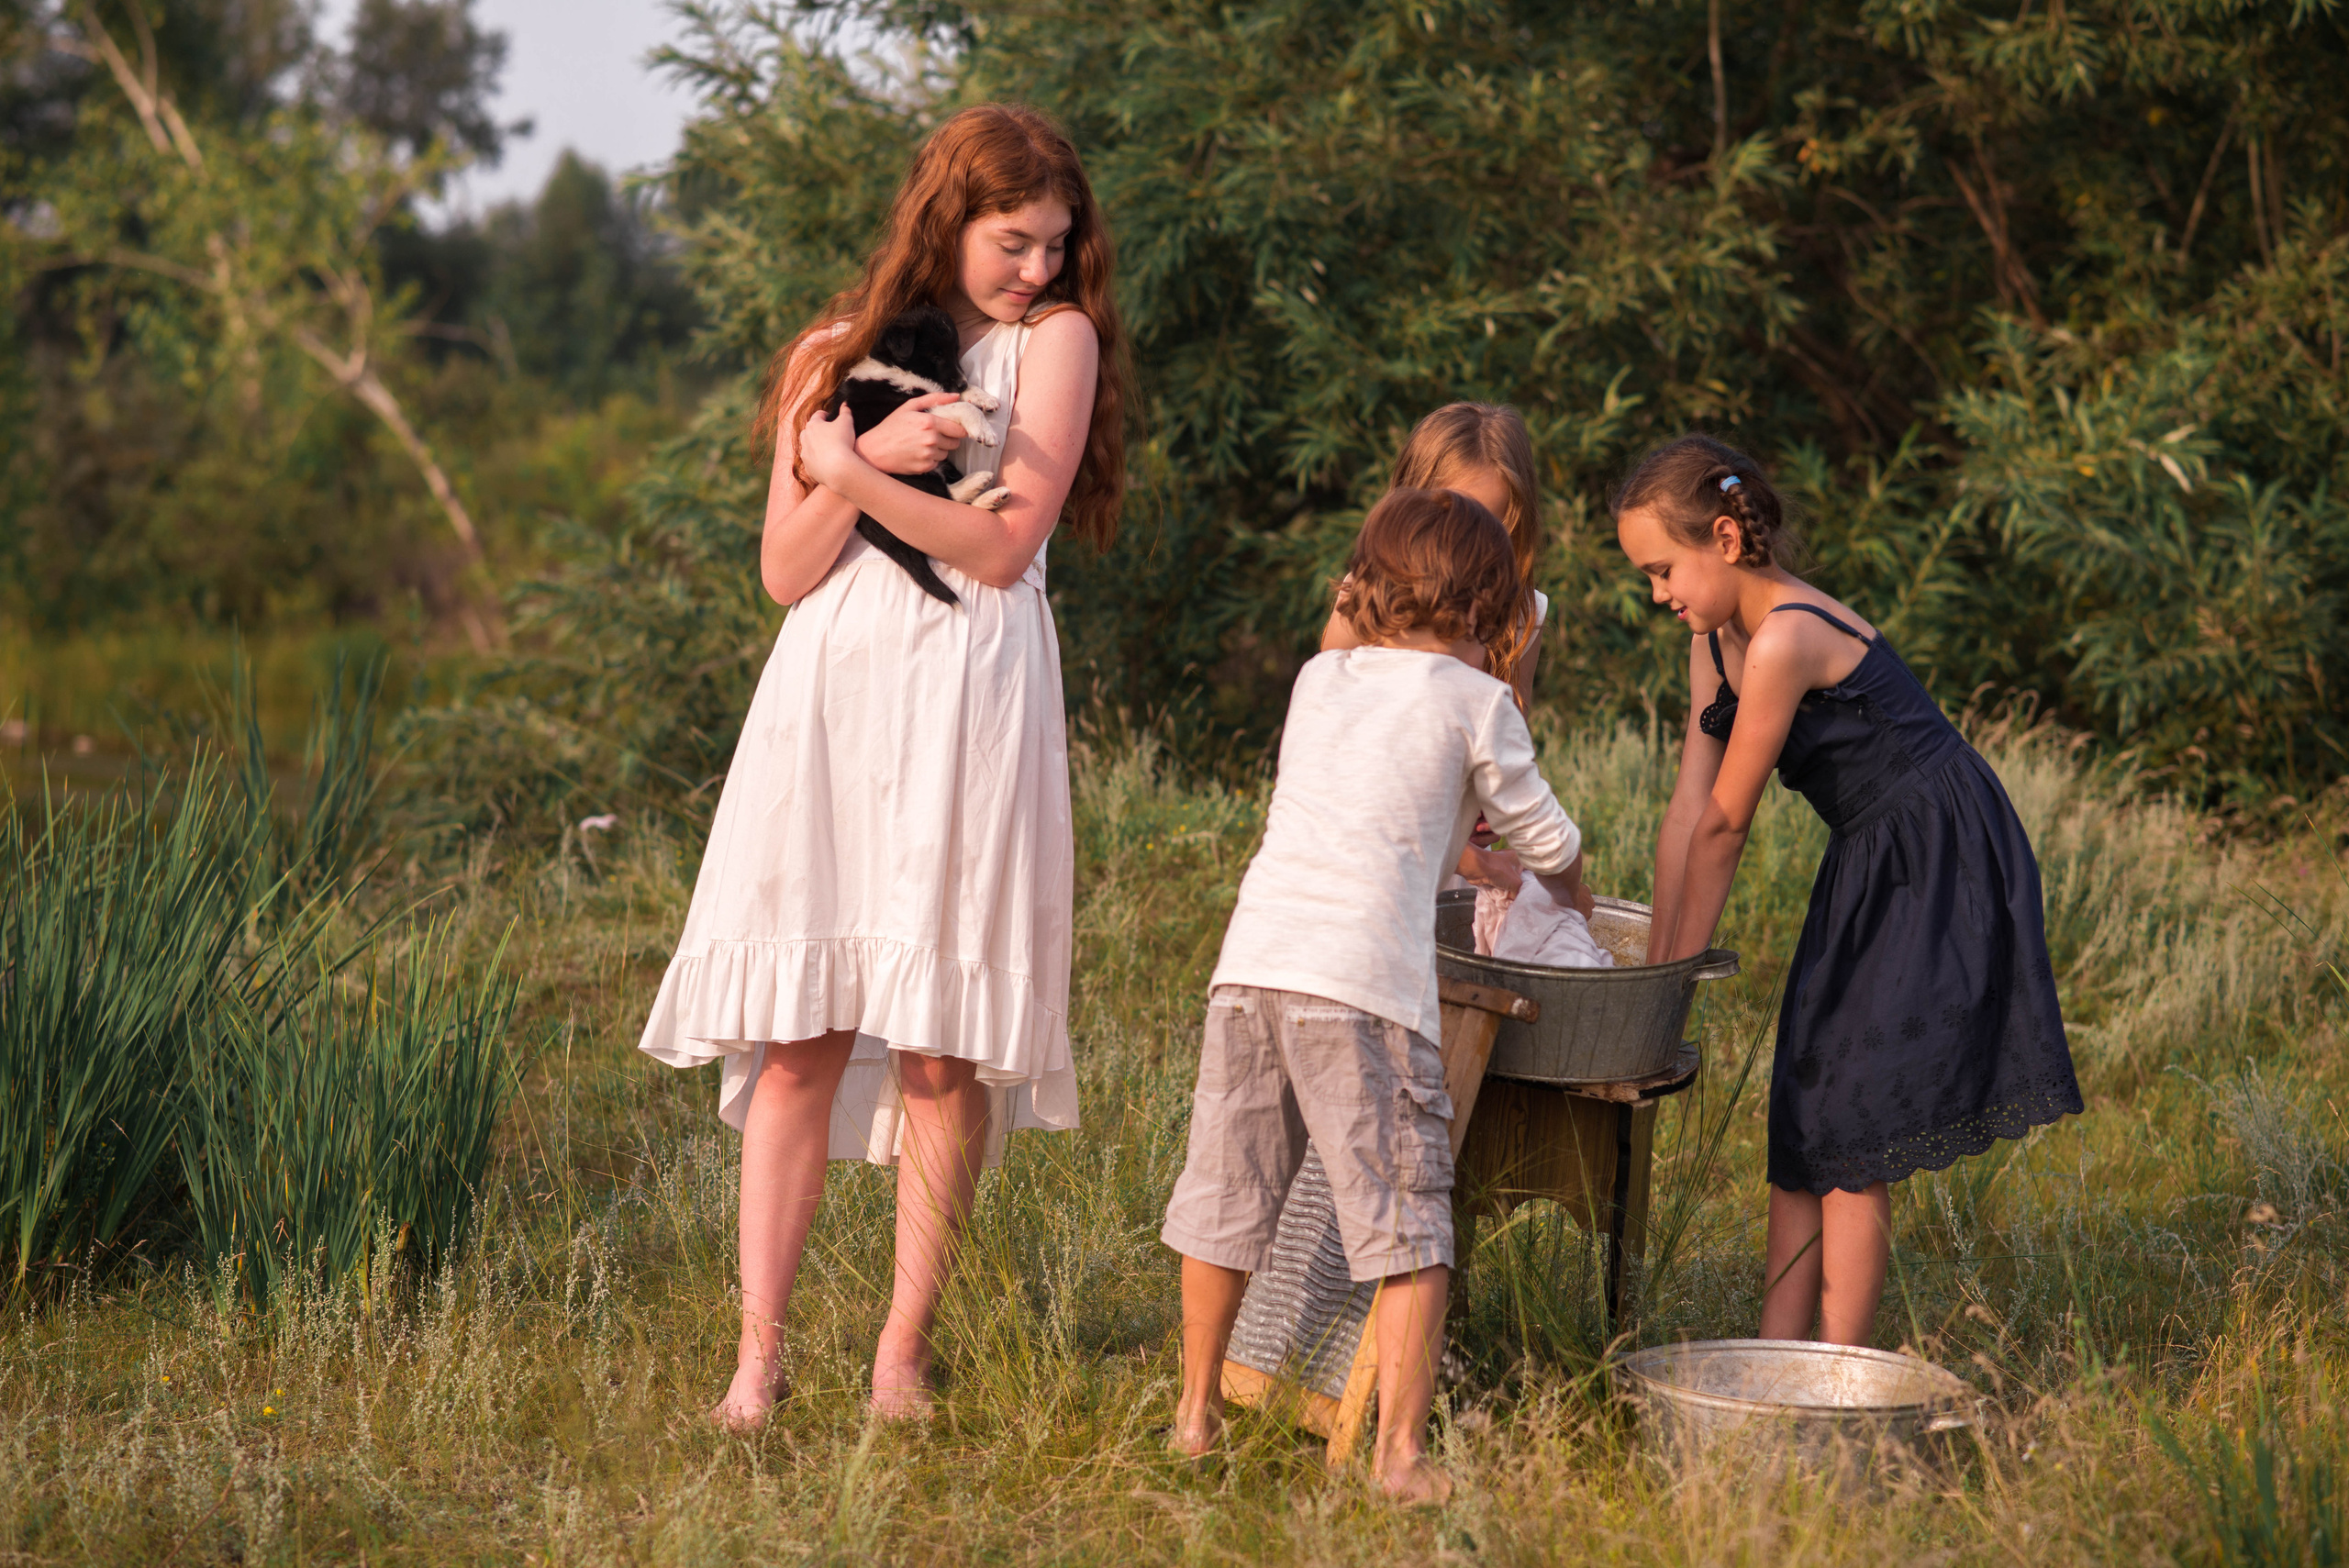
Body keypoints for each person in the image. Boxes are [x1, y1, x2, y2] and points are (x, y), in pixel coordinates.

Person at [636, 103, 1129, 1429]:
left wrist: (851, 464)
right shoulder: (830, 351)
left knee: (938, 1048)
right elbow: (787, 572)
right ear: (947, 218)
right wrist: (850, 463)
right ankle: (758, 1359)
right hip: (837, 700)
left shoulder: (1053, 348)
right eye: (1012, 241)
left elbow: (1000, 550)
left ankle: (899, 1356)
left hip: (970, 691)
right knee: (799, 1036)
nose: (1036, 268)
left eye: (1054, 244)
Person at [1163, 488, 1593, 1502]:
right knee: (1409, 1223)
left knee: (1226, 1199)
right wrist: (1569, 889)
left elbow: (1378, 815)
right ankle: (1399, 1455)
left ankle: (1192, 1415)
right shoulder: (1475, 699)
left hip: (1253, 966)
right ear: (1488, 612)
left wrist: (1464, 862)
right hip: (1358, 988)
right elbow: (1543, 835)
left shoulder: (1320, 678)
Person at [1615, 433, 2081, 1346]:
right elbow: (1686, 809)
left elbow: (1726, 824)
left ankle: (1839, 1377)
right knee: (1804, 1101)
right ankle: (1776, 1355)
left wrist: (1670, 983)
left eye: (1663, 569)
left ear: (1724, 535)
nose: (1657, 593)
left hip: (1937, 851)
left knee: (1853, 1121)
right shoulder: (1714, 643)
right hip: (1867, 856)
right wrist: (1653, 976)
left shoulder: (1786, 634)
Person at [1321, 403, 1548, 708]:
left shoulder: (1524, 614)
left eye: (1490, 525)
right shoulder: (1365, 599)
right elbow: (1323, 710)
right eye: (1452, 518)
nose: (1468, 542)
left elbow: (1514, 735)